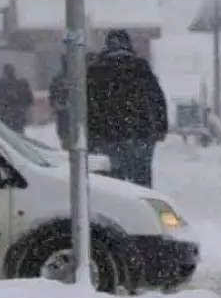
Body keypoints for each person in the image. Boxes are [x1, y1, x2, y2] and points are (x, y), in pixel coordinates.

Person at [87, 29, 168, 188]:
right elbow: (157, 99)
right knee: (141, 178)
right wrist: (161, 126)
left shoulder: (96, 70)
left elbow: (88, 105)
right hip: (139, 133)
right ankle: (140, 207)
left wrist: (91, 133)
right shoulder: (140, 67)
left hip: (106, 134)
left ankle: (116, 209)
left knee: (111, 182)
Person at [0, 63, 33, 133]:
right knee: (18, 137)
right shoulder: (21, 84)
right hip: (16, 118)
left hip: (6, 119)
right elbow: (29, 101)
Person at [48, 55, 69, 149]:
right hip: (68, 117)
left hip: (64, 117)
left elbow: (52, 97)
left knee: (66, 140)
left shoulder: (57, 78)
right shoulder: (79, 76)